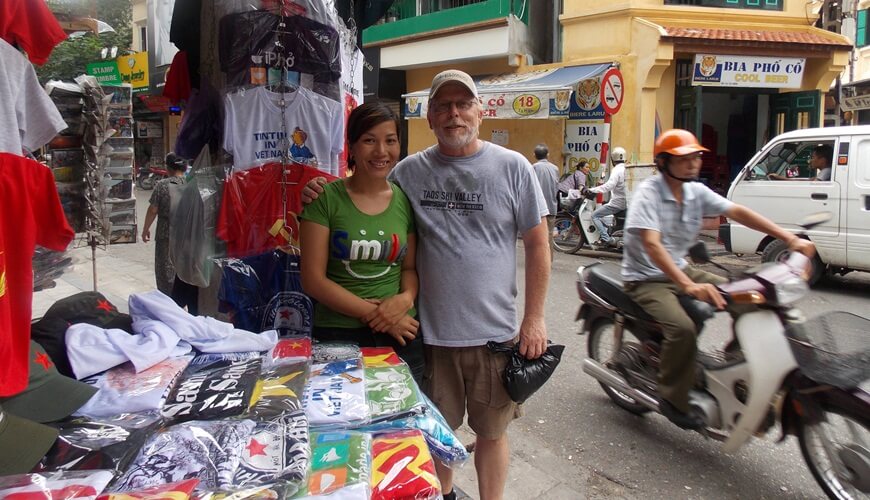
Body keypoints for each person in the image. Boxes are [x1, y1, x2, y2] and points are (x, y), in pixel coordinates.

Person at [304, 69, 550, 500]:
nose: (454, 114)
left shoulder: (513, 168)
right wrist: (318, 190)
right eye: (442, 106)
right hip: (431, 336)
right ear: (429, 118)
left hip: (495, 336)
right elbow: (366, 194)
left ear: (480, 110)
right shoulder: (408, 173)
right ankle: (446, 495)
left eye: (463, 104)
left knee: (493, 433)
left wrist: (534, 319)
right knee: (434, 431)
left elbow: (538, 245)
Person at [622, 129, 815, 430]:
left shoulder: (695, 192)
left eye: (696, 156)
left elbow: (737, 211)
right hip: (647, 278)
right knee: (682, 328)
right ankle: (673, 398)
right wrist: (687, 285)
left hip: (680, 269)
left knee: (749, 296)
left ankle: (736, 364)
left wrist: (789, 239)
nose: (693, 163)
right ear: (663, 162)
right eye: (684, 158)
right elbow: (652, 244)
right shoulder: (648, 194)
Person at [299, 102, 423, 382]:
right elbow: (312, 280)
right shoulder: (324, 199)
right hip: (338, 335)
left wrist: (405, 299)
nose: (381, 151)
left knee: (405, 422)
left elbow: (409, 268)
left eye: (390, 141)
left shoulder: (404, 200)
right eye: (369, 140)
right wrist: (380, 315)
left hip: (403, 331)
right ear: (352, 147)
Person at [142, 153, 187, 296]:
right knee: (183, 268)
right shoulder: (191, 184)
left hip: (165, 233)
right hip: (187, 233)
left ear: (168, 167)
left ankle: (167, 301)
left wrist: (145, 229)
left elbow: (153, 209)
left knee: (165, 269)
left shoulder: (162, 185)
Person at [586, 147, 627, 248]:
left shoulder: (616, 170)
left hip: (617, 203)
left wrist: (592, 190)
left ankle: (606, 238)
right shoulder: (627, 168)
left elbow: (609, 186)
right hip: (626, 202)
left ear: (613, 159)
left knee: (595, 215)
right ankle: (609, 233)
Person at [532, 144, 558, 261]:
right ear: (548, 155)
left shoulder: (534, 167)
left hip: (537, 208)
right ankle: (548, 259)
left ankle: (538, 259)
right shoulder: (555, 168)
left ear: (534, 155)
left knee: (536, 235)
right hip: (551, 206)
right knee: (549, 235)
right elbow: (556, 187)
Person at [767, 144, 833, 181]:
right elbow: (809, 180)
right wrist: (781, 178)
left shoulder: (826, 172)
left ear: (822, 160)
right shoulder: (827, 172)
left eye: (813, 157)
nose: (809, 161)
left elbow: (813, 185)